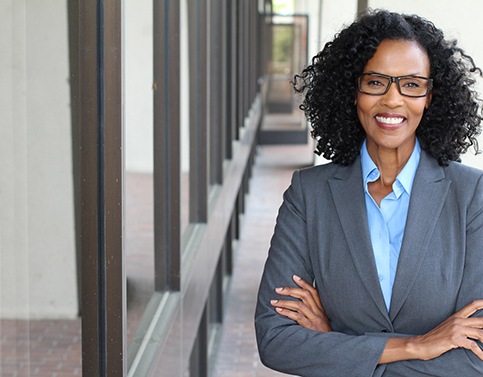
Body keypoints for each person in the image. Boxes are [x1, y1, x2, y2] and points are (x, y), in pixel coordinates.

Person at [254, 9, 483, 377]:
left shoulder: (472, 196)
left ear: (430, 96)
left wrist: (339, 345)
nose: (392, 101)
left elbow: (475, 357)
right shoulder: (308, 195)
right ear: (353, 89)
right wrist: (415, 346)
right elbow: (275, 340)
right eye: (376, 82)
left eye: (411, 84)